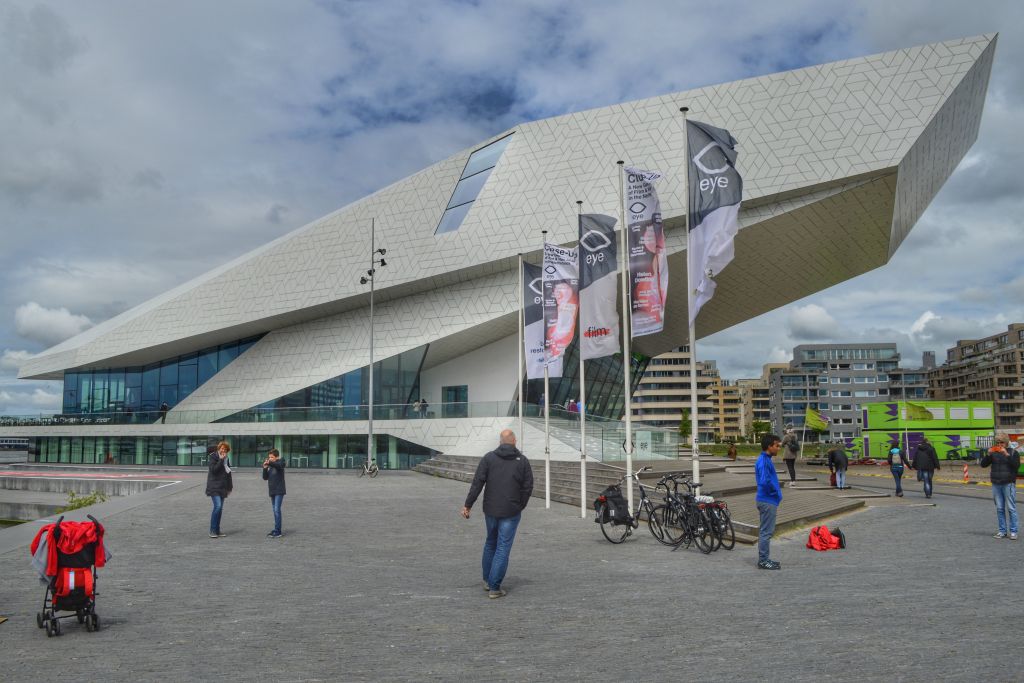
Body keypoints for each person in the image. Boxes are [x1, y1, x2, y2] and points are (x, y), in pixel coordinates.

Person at [460, 429, 534, 599]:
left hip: (491, 510)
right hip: (511, 510)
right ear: (514, 441)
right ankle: (494, 587)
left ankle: (487, 580)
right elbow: (528, 487)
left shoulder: (489, 458)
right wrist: (520, 505)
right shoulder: (522, 461)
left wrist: (467, 504)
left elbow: (477, 483)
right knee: (502, 547)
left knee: (490, 543)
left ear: (500, 441)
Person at [980, 433, 1020, 540]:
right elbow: (983, 465)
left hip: (1008, 483)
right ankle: (1002, 531)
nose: (999, 444)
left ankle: (1013, 531)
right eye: (997, 442)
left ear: (1006, 443)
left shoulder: (1013, 452)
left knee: (1011, 508)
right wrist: (988, 454)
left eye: (1001, 442)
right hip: (996, 483)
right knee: (1000, 508)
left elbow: (1016, 467)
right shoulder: (993, 453)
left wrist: (1006, 454)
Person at [755, 433, 783, 570]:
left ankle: (764, 559)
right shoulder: (764, 461)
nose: (779, 448)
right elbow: (764, 481)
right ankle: (763, 561)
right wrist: (775, 492)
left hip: (766, 500)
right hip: (767, 500)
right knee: (766, 532)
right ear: (769, 446)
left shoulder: (765, 459)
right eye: (777, 446)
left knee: (765, 531)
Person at [206, 441, 233, 538]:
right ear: (219, 448)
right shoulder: (213, 457)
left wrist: (230, 487)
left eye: (225, 449)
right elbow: (214, 470)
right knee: (217, 506)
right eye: (222, 448)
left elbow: (228, 473)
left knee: (220, 508)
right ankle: (212, 530)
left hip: (223, 487)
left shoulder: (226, 459)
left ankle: (217, 530)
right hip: (214, 486)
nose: (223, 451)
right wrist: (220, 460)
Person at [262, 448, 286, 538]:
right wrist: (265, 468)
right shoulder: (271, 466)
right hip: (272, 491)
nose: (270, 459)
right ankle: (276, 529)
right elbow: (265, 478)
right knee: (275, 511)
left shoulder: (281, 462)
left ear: (277, 457)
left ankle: (278, 531)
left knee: (277, 510)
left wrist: (269, 462)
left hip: (279, 490)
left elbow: (279, 466)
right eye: (269, 457)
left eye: (272, 457)